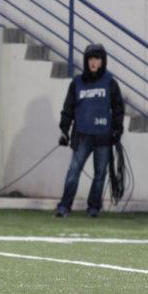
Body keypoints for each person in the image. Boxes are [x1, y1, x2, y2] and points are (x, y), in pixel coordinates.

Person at [55, 44, 124, 218]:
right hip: (82, 135)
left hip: (103, 137)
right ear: (86, 61)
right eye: (90, 59)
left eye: (97, 59)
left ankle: (94, 207)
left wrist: (117, 129)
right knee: (73, 171)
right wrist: (65, 130)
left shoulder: (110, 82)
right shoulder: (77, 83)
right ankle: (64, 206)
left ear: (103, 61)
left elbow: (118, 108)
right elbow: (68, 108)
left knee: (100, 174)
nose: (93, 62)